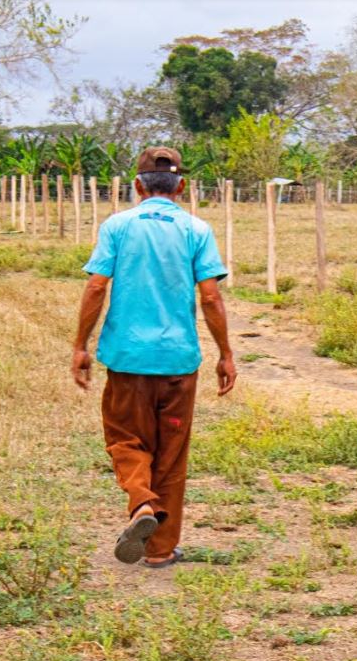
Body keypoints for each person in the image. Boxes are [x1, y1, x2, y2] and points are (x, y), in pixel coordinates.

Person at [71, 146, 236, 568]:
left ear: (138, 186)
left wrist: (80, 346)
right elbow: (211, 296)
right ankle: (161, 551)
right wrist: (225, 354)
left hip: (127, 360)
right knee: (171, 456)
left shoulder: (118, 226)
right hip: (179, 362)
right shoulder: (197, 230)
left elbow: (95, 287)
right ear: (181, 186)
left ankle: (142, 504)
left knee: (126, 440)